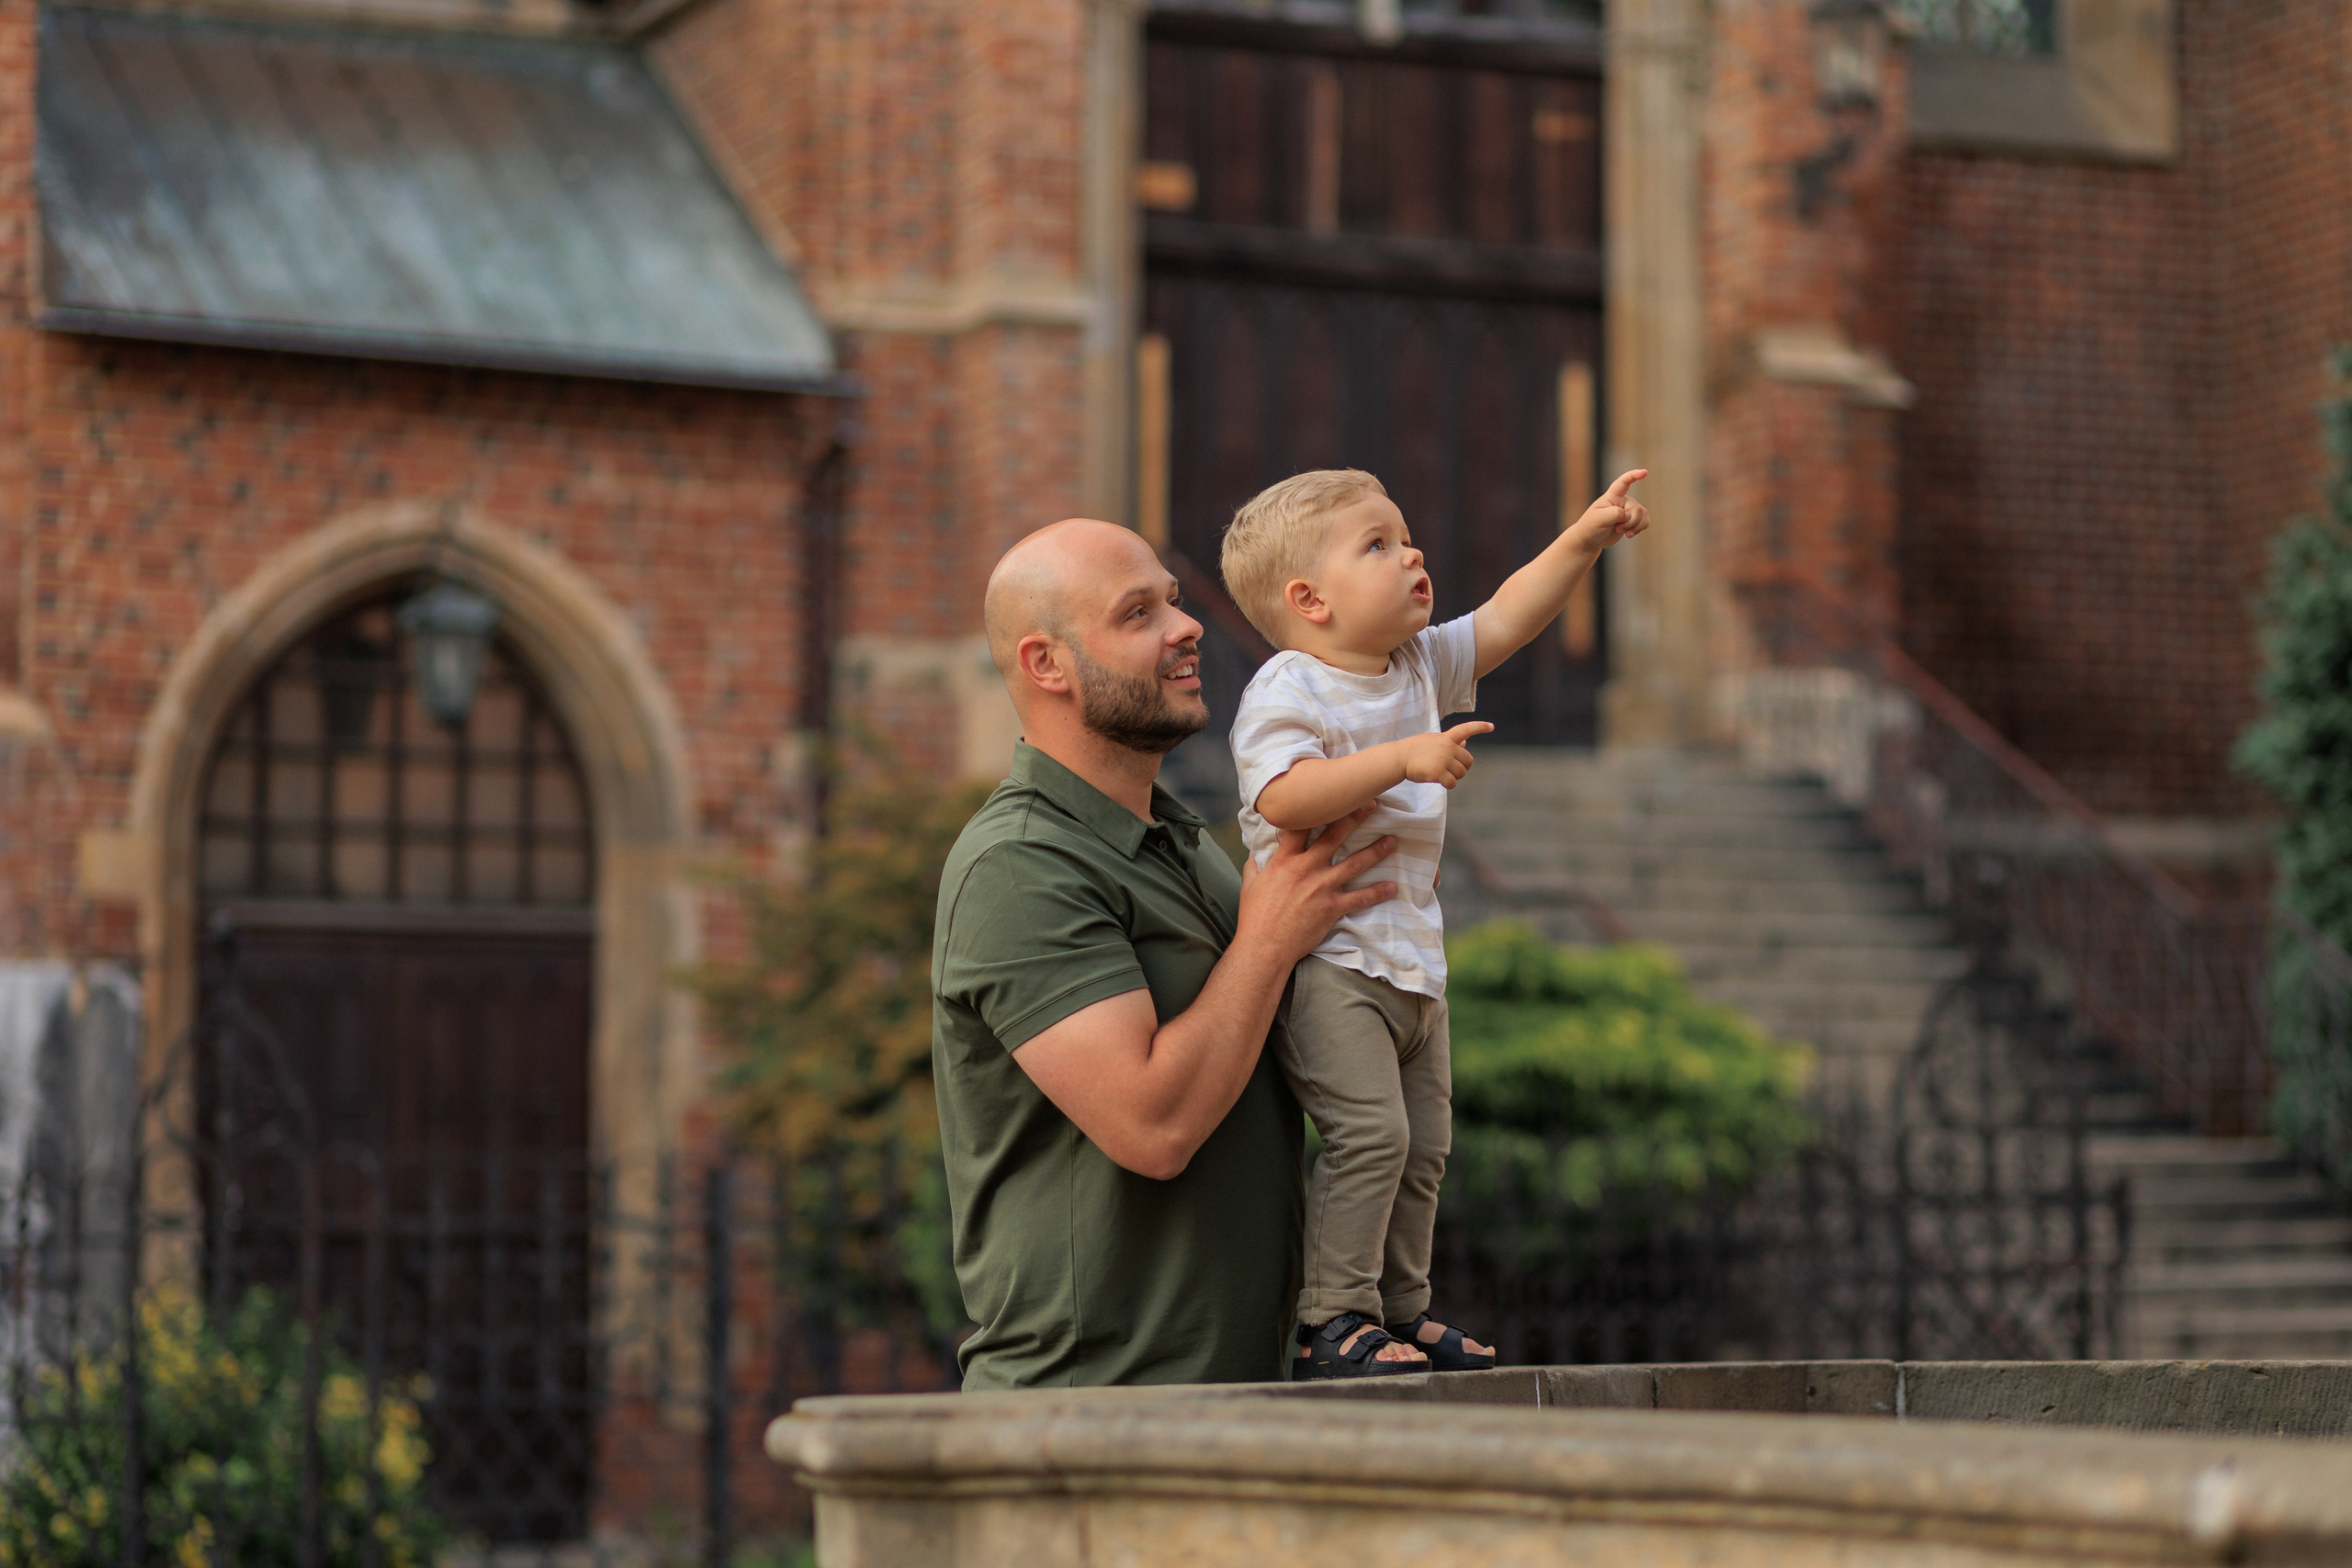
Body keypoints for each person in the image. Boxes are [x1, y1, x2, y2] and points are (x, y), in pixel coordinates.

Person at [932, 517, 1410, 1389]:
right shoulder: (1019, 867)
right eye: (1138, 612)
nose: (1186, 627)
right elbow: (1151, 1126)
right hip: (1088, 1426)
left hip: (1235, 1410)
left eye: (1176, 601)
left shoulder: (1186, 843)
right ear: (1048, 665)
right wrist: (1266, 941)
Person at [1220, 465, 1651, 1380]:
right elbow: (1283, 795)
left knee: (1424, 1146)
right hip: (1329, 961)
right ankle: (1331, 1318)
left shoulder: (1414, 664)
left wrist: (1584, 539)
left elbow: (1503, 618)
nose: (1411, 551)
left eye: (1404, 534)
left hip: (1414, 963)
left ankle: (1400, 1311)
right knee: (1369, 1136)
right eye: (1376, 544)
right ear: (1310, 601)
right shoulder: (1286, 688)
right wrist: (1400, 758)